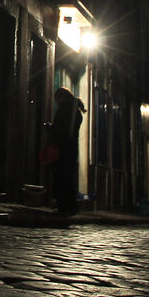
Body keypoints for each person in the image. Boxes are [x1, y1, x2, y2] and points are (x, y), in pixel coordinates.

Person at [48, 87, 85, 215]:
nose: (56, 102)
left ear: (62, 97)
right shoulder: (75, 111)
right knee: (67, 177)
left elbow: (61, 129)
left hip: (63, 148)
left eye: (57, 99)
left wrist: (51, 128)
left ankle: (65, 206)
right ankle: (68, 205)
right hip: (70, 148)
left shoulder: (65, 110)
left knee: (62, 177)